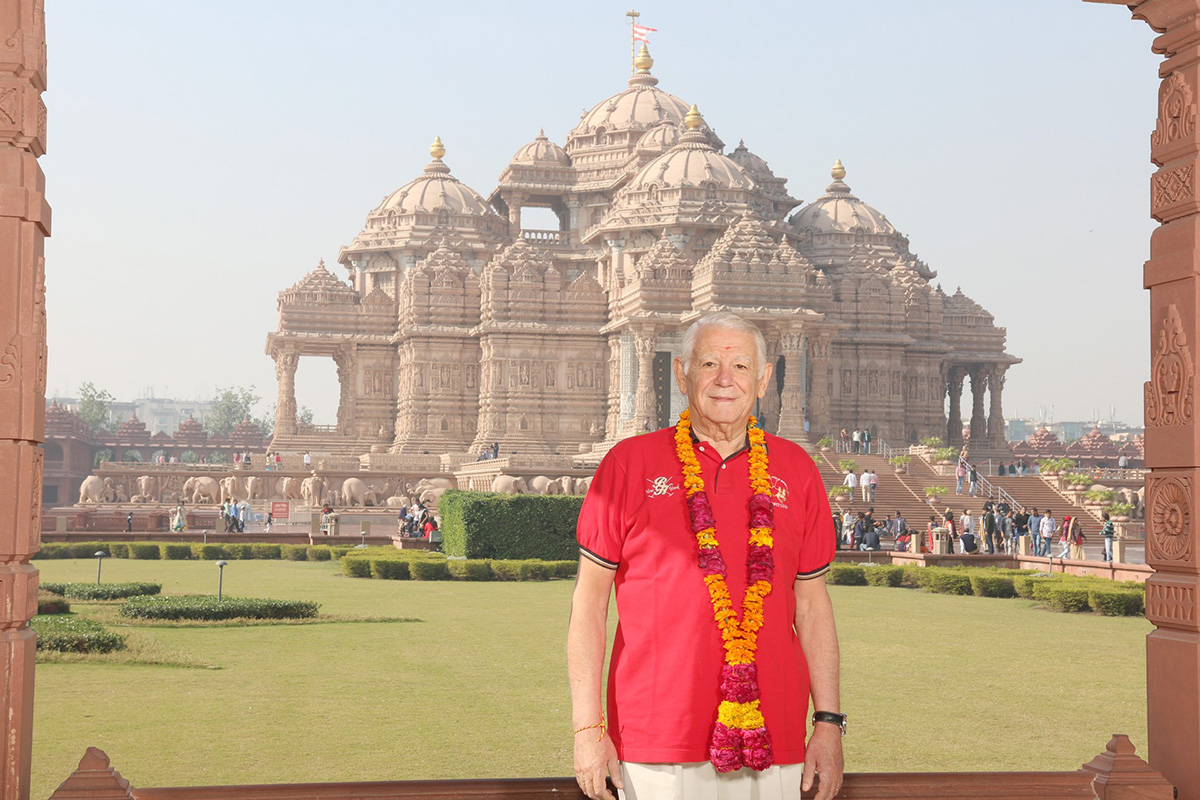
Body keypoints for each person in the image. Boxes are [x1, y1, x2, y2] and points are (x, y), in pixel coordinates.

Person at [568, 312, 843, 800]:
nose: (724, 380)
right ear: (682, 373)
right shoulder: (629, 464)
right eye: (709, 363)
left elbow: (813, 607)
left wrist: (827, 723)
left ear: (763, 380)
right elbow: (589, 605)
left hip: (772, 735)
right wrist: (588, 731)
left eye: (740, 367)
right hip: (655, 736)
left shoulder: (795, 470)